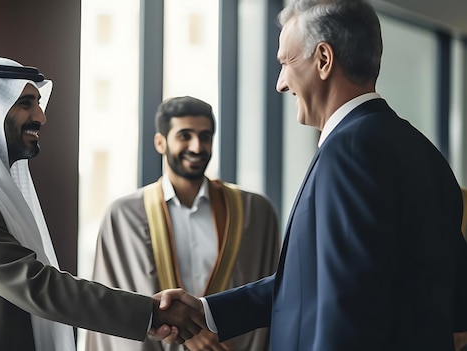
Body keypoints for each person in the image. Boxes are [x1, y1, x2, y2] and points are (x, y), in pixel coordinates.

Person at [153, 1, 467, 350]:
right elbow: (319, 282)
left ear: (323, 59)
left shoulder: (348, 151)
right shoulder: (425, 153)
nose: (280, 84)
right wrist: (209, 311)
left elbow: (347, 306)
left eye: (286, 63)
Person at [0, 57, 205, 351]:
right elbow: (36, 284)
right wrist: (149, 313)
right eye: (25, 104)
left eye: (38, 102)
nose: (40, 117)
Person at [84, 96, 281, 351]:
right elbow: (111, 306)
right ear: (160, 142)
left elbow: (270, 294)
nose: (197, 146)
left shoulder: (255, 212)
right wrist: (185, 332)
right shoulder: (124, 216)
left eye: (205, 136)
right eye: (185, 136)